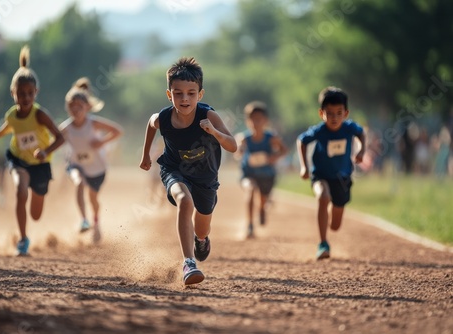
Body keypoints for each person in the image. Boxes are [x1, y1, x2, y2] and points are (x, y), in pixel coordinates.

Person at [139, 57, 237, 285]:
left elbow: (233, 145)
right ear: (169, 94)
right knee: (184, 200)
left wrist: (214, 132)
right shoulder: (164, 118)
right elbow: (150, 124)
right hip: (174, 170)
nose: (184, 99)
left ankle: (201, 240)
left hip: (206, 178)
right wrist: (145, 156)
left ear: (200, 94)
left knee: (202, 225)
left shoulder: (208, 116)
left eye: (191, 93)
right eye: (178, 93)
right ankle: (188, 262)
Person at [0, 45, 65, 256]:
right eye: (21, 94)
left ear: (36, 93)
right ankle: (23, 239)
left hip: (40, 164)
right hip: (18, 159)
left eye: (30, 93)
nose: (25, 98)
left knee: (36, 214)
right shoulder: (11, 115)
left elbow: (61, 137)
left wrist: (46, 152)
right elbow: (6, 129)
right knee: (20, 192)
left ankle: (29, 225)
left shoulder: (40, 115)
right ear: (13, 93)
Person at [297, 86, 365, 260]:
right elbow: (301, 141)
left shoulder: (349, 128)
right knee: (323, 197)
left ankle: (327, 220)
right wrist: (304, 166)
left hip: (342, 178)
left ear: (346, 113)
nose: (334, 118)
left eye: (338, 113)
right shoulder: (319, 131)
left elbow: (361, 133)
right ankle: (323, 243)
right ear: (321, 113)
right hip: (320, 174)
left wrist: (361, 151)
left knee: (335, 225)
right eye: (330, 113)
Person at [59, 78, 123, 242]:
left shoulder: (93, 123)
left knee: (93, 199)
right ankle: (83, 220)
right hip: (76, 165)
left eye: (79, 107)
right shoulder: (65, 128)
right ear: (67, 108)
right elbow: (54, 141)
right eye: (72, 107)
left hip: (98, 168)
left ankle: (96, 222)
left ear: (87, 107)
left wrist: (101, 142)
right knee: (79, 183)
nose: (76, 110)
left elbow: (117, 131)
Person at [235, 101, 288, 238]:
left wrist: (273, 158)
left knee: (263, 198)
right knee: (250, 189)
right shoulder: (244, 138)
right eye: (252, 119)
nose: (256, 122)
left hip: (267, 175)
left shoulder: (271, 138)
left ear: (265, 121)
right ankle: (250, 225)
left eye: (259, 119)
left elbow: (284, 150)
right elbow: (237, 151)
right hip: (249, 173)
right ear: (248, 121)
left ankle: (262, 208)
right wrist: (239, 151)